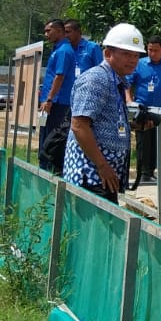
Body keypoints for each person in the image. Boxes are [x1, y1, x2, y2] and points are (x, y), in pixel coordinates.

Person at [64, 23, 145, 203]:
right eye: (126, 54)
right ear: (108, 53)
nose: (132, 60)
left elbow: (102, 121)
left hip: (104, 176)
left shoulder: (115, 80)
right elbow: (79, 126)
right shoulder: (97, 79)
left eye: (136, 55)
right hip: (90, 175)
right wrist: (102, 166)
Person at [127, 36, 161, 191]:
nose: (152, 53)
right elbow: (127, 84)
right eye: (150, 50)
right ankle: (143, 172)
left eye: (156, 50)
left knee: (156, 141)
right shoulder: (139, 64)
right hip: (143, 110)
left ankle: (150, 171)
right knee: (143, 142)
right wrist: (129, 101)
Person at [37, 18, 75, 175]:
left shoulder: (64, 51)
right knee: (45, 133)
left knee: (53, 136)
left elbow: (60, 76)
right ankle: (44, 165)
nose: (46, 34)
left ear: (59, 31)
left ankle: (51, 169)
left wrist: (49, 99)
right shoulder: (57, 50)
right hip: (50, 101)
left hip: (58, 103)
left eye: (49, 30)